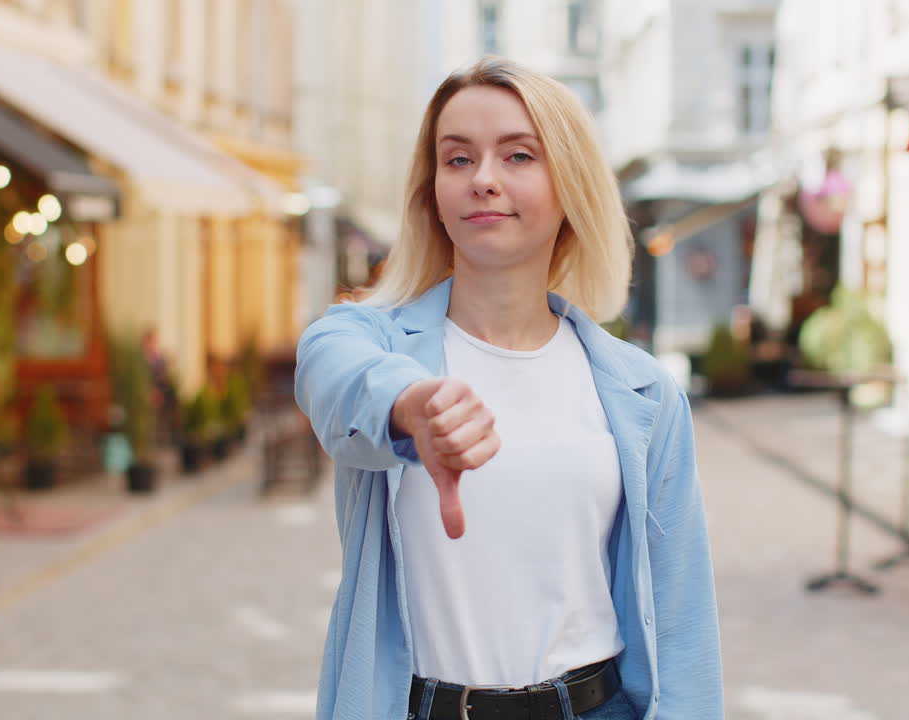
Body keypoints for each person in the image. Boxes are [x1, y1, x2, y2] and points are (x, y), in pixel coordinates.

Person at [295, 56, 722, 720]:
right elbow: (332, 376)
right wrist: (413, 412)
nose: (484, 180)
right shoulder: (368, 342)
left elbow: (682, 623)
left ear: (569, 187)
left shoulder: (644, 395)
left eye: (518, 156)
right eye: (458, 159)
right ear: (432, 189)